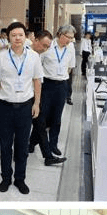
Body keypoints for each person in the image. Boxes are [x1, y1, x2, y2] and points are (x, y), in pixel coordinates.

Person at [0, 22, 44, 195]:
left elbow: (37, 81)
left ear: (26, 36)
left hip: (25, 107)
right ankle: (6, 177)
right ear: (8, 37)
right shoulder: (1, 57)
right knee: (5, 146)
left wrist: (36, 103)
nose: (17, 38)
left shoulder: (34, 57)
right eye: (13, 35)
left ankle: (20, 178)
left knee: (22, 146)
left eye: (21, 35)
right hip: (5, 107)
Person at [33, 25, 75, 163]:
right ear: (60, 34)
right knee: (43, 116)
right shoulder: (48, 46)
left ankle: (53, 145)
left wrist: (61, 78)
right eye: (68, 37)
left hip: (61, 85)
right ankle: (32, 143)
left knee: (57, 117)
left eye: (72, 38)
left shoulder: (70, 48)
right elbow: (39, 65)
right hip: (47, 84)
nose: (70, 40)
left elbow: (70, 68)